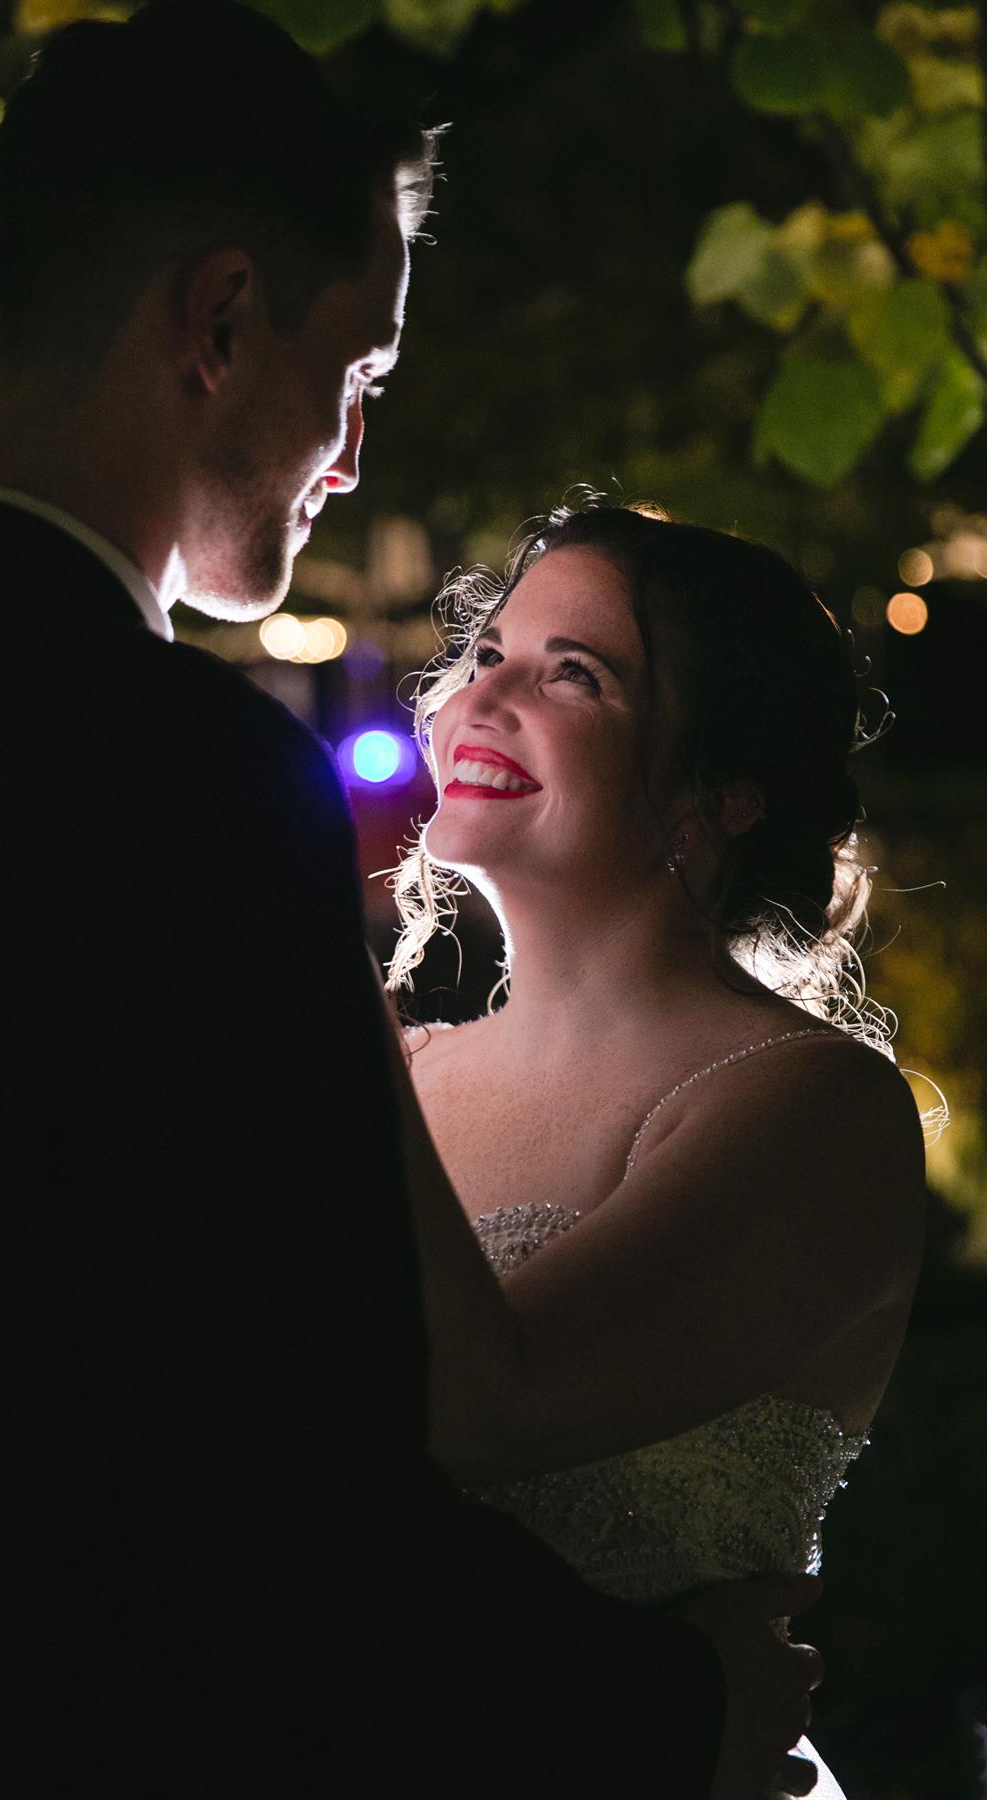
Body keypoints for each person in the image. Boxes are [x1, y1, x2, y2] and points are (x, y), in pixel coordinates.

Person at [0, 6, 818, 1793]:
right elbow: (284, 1466)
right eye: (359, 374)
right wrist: (673, 1710)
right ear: (221, 321)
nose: (350, 456)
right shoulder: (188, 780)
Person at [385, 496, 929, 1798]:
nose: (481, 697)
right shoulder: (404, 1070)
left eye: (574, 674)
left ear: (716, 796)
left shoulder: (810, 1107)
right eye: (489, 652)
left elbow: (487, 1405)